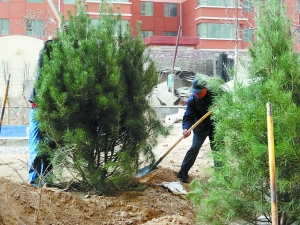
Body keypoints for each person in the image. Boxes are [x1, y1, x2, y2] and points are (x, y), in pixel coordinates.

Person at [27, 24, 68, 187]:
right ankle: (34, 182)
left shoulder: (69, 58)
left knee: (50, 147)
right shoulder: (49, 49)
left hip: (54, 109)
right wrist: (57, 38)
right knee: (38, 147)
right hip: (39, 107)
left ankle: (47, 180)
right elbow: (46, 53)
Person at [177, 78, 219, 183]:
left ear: (205, 89)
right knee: (194, 148)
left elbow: (227, 101)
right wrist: (186, 128)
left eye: (198, 92)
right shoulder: (192, 100)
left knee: (218, 150)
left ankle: (221, 176)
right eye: (194, 92)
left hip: (216, 126)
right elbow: (188, 116)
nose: (196, 94)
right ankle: (183, 173)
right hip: (200, 128)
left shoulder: (216, 95)